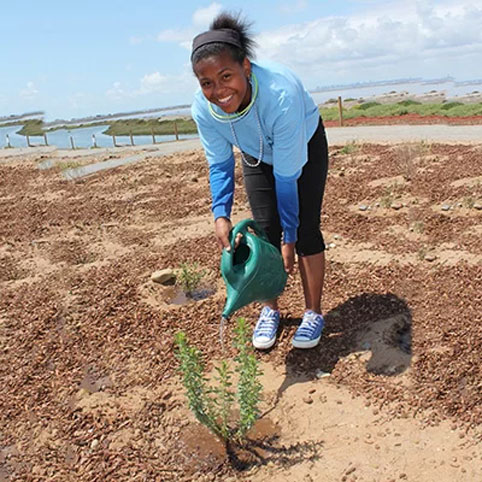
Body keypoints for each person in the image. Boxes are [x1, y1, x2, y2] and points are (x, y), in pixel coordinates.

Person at [190, 12, 329, 350]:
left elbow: (286, 179)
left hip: (301, 145)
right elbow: (220, 163)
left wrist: (291, 237)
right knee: (266, 231)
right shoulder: (203, 110)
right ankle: (270, 309)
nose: (218, 91)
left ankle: (313, 313)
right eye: (207, 83)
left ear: (246, 67)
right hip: (255, 152)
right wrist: (220, 214)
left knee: (306, 229)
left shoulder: (280, 97)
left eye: (226, 76)